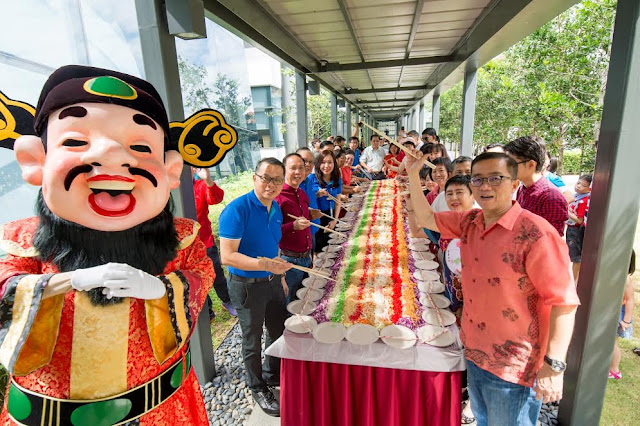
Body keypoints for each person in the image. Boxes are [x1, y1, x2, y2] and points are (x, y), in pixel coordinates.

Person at [0, 65, 218, 424]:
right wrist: (61, 283)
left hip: (161, 408)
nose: (114, 156)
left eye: (139, 147)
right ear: (34, 161)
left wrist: (161, 289)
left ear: (170, 169)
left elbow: (201, 274)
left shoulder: (181, 239)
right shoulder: (23, 242)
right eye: (75, 142)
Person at [406, 150, 580, 426]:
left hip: (515, 366)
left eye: (495, 178)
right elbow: (427, 219)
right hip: (474, 351)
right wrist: (413, 173)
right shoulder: (470, 222)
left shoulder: (536, 234)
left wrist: (554, 364)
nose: (485, 186)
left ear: (514, 184)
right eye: (478, 179)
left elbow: (564, 302)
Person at [219, 158, 293, 417]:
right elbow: (227, 256)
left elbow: (274, 246)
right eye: (266, 178)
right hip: (246, 285)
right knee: (252, 338)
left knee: (277, 328)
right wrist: (263, 264)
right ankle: (256, 386)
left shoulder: (275, 209)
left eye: (276, 180)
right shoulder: (237, 210)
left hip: (272, 281)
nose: (270, 185)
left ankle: (272, 373)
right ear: (254, 178)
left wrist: (280, 276)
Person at [192, 167, 237, 318]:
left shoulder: (200, 186)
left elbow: (216, 198)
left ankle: (227, 301)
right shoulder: (169, 191)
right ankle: (207, 310)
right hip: (184, 246)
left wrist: (207, 180)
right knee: (194, 280)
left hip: (205, 241)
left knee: (216, 273)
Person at [504, 136, 569, 236]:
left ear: (531, 164)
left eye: (512, 164)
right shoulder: (522, 188)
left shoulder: (551, 196)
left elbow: (552, 239)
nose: (507, 168)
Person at [275, 154, 314, 305]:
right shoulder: (278, 197)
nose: (298, 172)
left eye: (301, 168)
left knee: (305, 301)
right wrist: (293, 226)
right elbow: (272, 231)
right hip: (289, 261)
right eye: (293, 168)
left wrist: (310, 213)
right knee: (289, 303)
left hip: (306, 256)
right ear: (284, 170)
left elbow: (301, 219)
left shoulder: (302, 193)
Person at [309, 151, 343, 252]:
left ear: (334, 164)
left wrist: (335, 220)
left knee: (331, 248)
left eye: (330, 162)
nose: (326, 166)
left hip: (330, 215)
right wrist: (316, 194)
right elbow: (306, 199)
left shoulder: (337, 180)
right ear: (318, 164)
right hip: (315, 217)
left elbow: (337, 202)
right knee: (318, 250)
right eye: (323, 162)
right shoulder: (311, 179)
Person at [609, 250, 635, 379]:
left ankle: (614, 370)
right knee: (605, 341)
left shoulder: (625, 278)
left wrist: (626, 320)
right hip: (610, 311)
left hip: (618, 315)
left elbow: (630, 300)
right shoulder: (614, 274)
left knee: (612, 343)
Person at [565, 174, 592, 282]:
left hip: (575, 230)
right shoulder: (576, 197)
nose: (578, 186)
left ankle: (573, 280)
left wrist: (566, 212)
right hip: (571, 229)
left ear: (589, 188)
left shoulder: (584, 200)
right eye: (578, 183)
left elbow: (579, 220)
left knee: (576, 257)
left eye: (583, 185)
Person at [297, 147, 323, 248]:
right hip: (301, 234)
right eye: (304, 161)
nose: (307, 164)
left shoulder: (309, 180)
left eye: (310, 162)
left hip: (312, 229)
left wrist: (317, 194)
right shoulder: (293, 184)